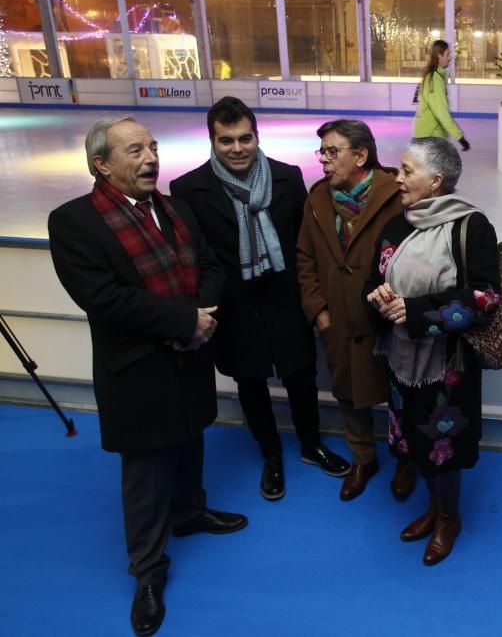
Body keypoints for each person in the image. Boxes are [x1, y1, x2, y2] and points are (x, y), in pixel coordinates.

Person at [48, 116, 247, 636]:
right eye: (135, 150)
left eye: (153, 147)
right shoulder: (74, 222)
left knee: (190, 438)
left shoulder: (174, 208)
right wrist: (185, 321)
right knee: (144, 467)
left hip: (189, 353)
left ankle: (190, 511)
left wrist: (203, 314)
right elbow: (104, 298)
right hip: (137, 367)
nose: (151, 158)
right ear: (101, 164)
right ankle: (148, 569)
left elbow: (209, 265)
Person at [170, 97, 350, 503]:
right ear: (213, 141)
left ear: (256, 136)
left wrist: (315, 297)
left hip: (285, 297)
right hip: (234, 307)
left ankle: (310, 444)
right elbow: (195, 257)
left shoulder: (288, 177)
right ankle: (270, 454)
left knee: (301, 376)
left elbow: (309, 244)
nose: (237, 148)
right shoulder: (188, 190)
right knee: (250, 383)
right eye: (226, 140)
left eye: (245, 138)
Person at [365, 136, 500, 565]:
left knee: (442, 446)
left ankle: (449, 518)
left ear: (436, 181)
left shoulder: (471, 227)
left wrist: (418, 310)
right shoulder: (397, 223)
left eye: (407, 171)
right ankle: (433, 508)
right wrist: (377, 295)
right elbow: (375, 276)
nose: (398, 178)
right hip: (402, 360)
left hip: (446, 365)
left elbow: (485, 298)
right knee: (416, 440)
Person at [296, 119, 416, 502]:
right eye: (323, 153)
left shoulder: (396, 195)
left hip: (388, 323)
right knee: (348, 395)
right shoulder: (316, 199)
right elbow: (305, 258)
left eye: (333, 152)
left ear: (361, 155)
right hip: (339, 319)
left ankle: (406, 459)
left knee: (402, 394)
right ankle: (364, 458)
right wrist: (318, 310)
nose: (325, 161)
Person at [413, 39, 470, 151]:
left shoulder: (436, 76)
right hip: (429, 138)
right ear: (439, 56)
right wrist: (460, 137)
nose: (450, 58)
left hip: (432, 136)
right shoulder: (434, 79)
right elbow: (441, 112)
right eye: (447, 54)